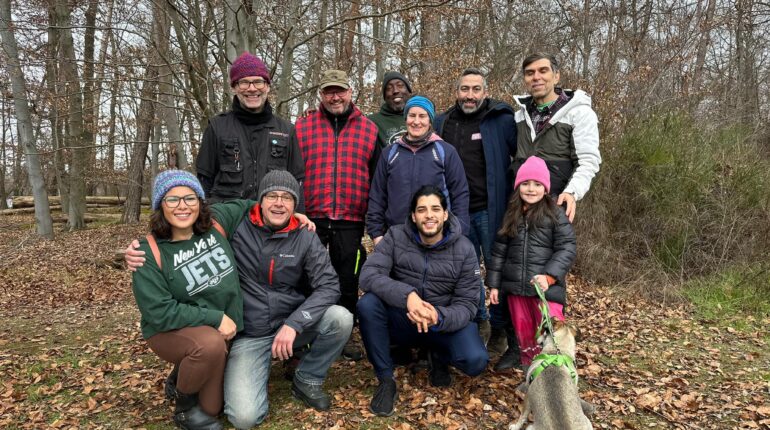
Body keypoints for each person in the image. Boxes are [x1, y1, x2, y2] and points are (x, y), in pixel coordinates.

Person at [126, 171, 350, 429]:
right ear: (260, 201)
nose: (279, 203)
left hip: (289, 323)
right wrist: (134, 251)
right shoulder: (234, 226)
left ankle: (307, 378)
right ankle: (187, 379)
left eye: (287, 198)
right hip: (249, 332)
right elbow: (159, 307)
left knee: (340, 318)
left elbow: (329, 285)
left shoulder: (301, 234)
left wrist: (295, 323)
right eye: (272, 196)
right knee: (243, 418)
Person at [358, 186, 489, 417]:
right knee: (368, 304)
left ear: (446, 214)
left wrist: (438, 316)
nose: (429, 215)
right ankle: (386, 380)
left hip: (442, 323)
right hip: (404, 318)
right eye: (422, 210)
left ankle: (438, 355)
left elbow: (468, 304)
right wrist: (407, 295)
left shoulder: (465, 248)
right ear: (413, 215)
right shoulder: (396, 237)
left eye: (435, 209)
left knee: (475, 360)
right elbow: (369, 275)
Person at [131, 169, 243, 430]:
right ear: (161, 205)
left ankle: (183, 371)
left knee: (213, 408)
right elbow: (159, 312)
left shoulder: (216, 225)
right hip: (169, 330)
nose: (182, 206)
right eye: (172, 199)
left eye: (190, 198)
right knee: (208, 345)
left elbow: (252, 206)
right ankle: (184, 410)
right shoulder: (148, 252)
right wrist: (215, 318)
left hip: (217, 330)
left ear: (200, 202)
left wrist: (297, 215)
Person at [295, 69, 380, 360]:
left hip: (351, 217)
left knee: (347, 278)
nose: (335, 96)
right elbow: (293, 172)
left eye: (340, 90)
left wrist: (373, 217)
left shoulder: (368, 129)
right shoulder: (303, 127)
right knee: (308, 277)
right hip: (311, 217)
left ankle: (344, 334)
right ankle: (307, 332)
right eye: (329, 91)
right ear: (321, 94)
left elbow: (377, 176)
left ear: (350, 92)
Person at [434, 67, 518, 362]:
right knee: (465, 273)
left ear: (485, 91)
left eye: (475, 89)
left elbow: (520, 159)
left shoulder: (501, 119)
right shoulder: (443, 122)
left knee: (497, 270)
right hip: (456, 215)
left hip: (491, 210)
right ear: (456, 92)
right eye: (464, 89)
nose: (469, 95)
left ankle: (499, 329)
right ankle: (479, 320)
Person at [485, 156, 577, 368]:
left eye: (537, 184)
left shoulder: (555, 214)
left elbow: (567, 247)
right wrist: (494, 285)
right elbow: (499, 251)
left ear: (545, 188)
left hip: (546, 292)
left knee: (551, 334)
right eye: (525, 183)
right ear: (518, 186)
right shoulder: (512, 213)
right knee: (525, 335)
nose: (531, 189)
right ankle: (531, 373)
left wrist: (549, 276)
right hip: (516, 290)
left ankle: (557, 374)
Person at [196, 52, 305, 206]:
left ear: (267, 86)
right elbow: (203, 182)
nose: (252, 89)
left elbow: (297, 183)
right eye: (244, 82)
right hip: (226, 221)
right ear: (234, 87)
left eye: (258, 82)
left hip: (271, 221)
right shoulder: (216, 127)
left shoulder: (287, 131)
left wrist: (298, 219)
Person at [367, 95, 470, 246]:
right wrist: (376, 234)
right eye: (412, 115)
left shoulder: (445, 151)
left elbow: (460, 193)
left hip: (437, 237)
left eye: (422, 116)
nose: (416, 121)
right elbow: (377, 196)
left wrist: (458, 231)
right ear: (405, 118)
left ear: (430, 120)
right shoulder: (390, 153)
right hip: (396, 238)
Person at [512, 53, 601, 223]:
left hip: (556, 206)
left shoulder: (579, 113)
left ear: (556, 76)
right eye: (530, 73)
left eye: (543, 71)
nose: (536, 77)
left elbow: (588, 161)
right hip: (519, 207)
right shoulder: (519, 116)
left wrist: (571, 192)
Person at [368, 71, 413, 148]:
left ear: (408, 91)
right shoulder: (371, 122)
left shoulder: (422, 117)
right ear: (385, 96)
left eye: (400, 85)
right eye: (389, 88)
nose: (395, 91)